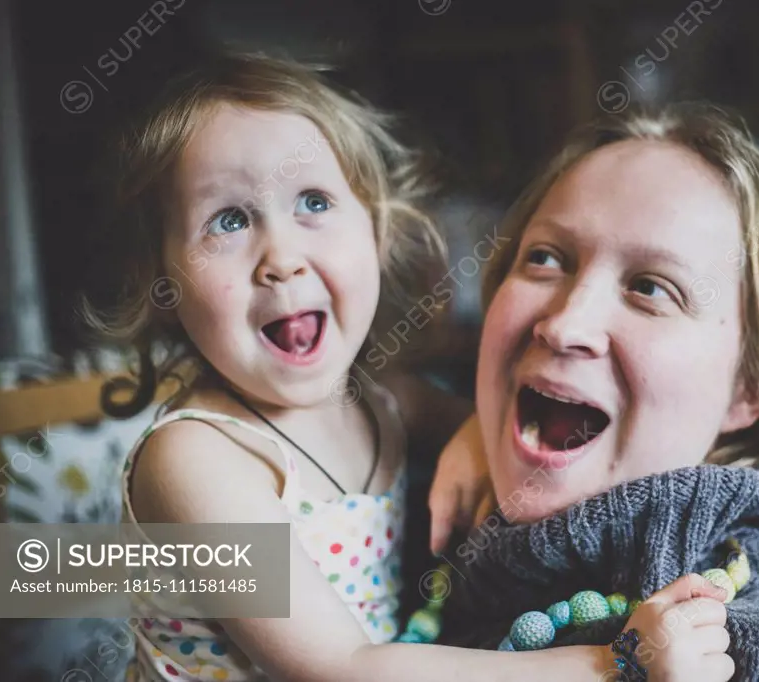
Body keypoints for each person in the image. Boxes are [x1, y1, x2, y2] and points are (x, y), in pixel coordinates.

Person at [82, 52, 712, 682]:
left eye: (314, 203)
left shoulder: (383, 402)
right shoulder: (195, 459)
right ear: (164, 281)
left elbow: (493, 425)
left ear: (377, 232)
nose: (281, 257)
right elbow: (341, 667)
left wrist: (471, 439)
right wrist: (612, 664)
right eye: (229, 219)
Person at [428, 103, 759, 681]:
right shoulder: (425, 501)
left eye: (651, 287)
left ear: (749, 389)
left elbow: (314, 658)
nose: (565, 324)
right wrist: (458, 423)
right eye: (545, 258)